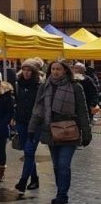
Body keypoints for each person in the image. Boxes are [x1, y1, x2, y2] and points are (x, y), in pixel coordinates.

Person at [28, 60, 92, 204]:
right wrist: (32, 128)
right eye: (53, 69)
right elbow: (38, 109)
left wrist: (87, 133)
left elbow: (82, 111)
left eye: (59, 69)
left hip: (70, 131)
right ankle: (60, 191)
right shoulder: (44, 86)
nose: (55, 72)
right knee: (57, 165)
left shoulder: (75, 87)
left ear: (65, 71)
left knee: (64, 164)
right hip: (51, 131)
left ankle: (62, 196)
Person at [14, 57, 44, 193]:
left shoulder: (40, 86)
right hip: (21, 121)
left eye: (29, 70)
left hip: (35, 123)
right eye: (24, 70)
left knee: (29, 151)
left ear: (34, 72)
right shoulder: (17, 83)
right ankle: (35, 179)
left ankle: (23, 181)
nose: (26, 73)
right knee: (28, 153)